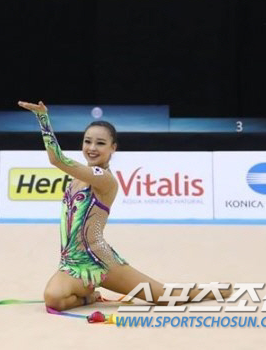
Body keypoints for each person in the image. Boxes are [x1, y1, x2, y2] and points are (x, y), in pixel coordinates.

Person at [18, 101, 232, 312]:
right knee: (53, 298)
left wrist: (43, 118)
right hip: (72, 264)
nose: (92, 148)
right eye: (87, 141)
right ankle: (89, 296)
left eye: (100, 143)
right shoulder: (77, 178)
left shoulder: (105, 179)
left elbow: (57, 160)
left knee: (163, 297)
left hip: (101, 260)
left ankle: (212, 290)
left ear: (113, 148)